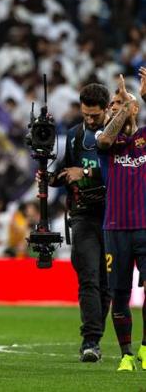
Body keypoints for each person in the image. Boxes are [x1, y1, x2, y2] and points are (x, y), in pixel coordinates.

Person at [46, 83, 111, 362]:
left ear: (107, 109)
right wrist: (52, 177)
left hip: (114, 217)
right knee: (89, 278)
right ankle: (91, 340)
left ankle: (97, 333)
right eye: (86, 114)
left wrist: (83, 171)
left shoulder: (119, 137)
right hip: (83, 215)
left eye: (95, 115)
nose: (90, 120)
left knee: (108, 284)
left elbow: (119, 174)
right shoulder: (74, 137)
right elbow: (61, 170)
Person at [96, 71, 146, 372]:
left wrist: (142, 96)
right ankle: (126, 354)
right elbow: (106, 140)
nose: (115, 106)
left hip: (145, 226)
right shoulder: (105, 140)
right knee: (119, 294)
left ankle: (145, 348)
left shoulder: (144, 138)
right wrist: (126, 107)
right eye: (113, 104)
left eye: (121, 102)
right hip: (115, 228)